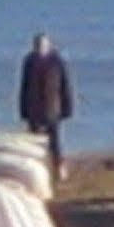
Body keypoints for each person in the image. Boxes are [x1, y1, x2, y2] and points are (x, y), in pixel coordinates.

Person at [19, 32, 75, 174]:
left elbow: (65, 85)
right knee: (33, 140)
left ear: (48, 45)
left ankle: (59, 166)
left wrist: (68, 107)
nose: (39, 47)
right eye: (37, 45)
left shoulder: (57, 61)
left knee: (54, 140)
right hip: (34, 107)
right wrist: (23, 109)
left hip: (52, 107)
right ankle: (35, 168)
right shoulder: (29, 61)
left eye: (42, 44)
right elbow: (24, 86)